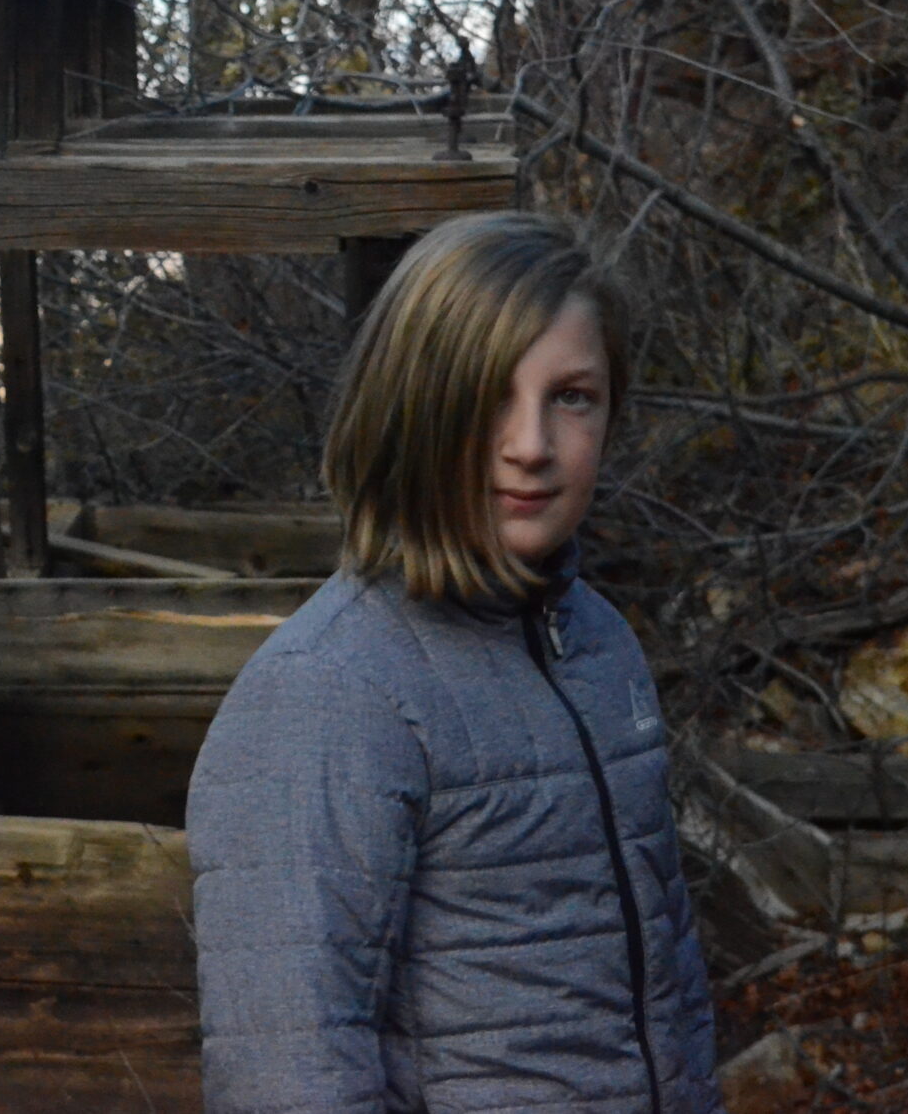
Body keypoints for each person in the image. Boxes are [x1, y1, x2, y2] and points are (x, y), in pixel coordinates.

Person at [187, 212, 720, 1113]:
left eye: (571, 397)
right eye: (486, 397)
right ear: (412, 409)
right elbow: (288, 1075)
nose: (530, 446)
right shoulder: (328, 690)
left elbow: (675, 993)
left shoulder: (600, 645)